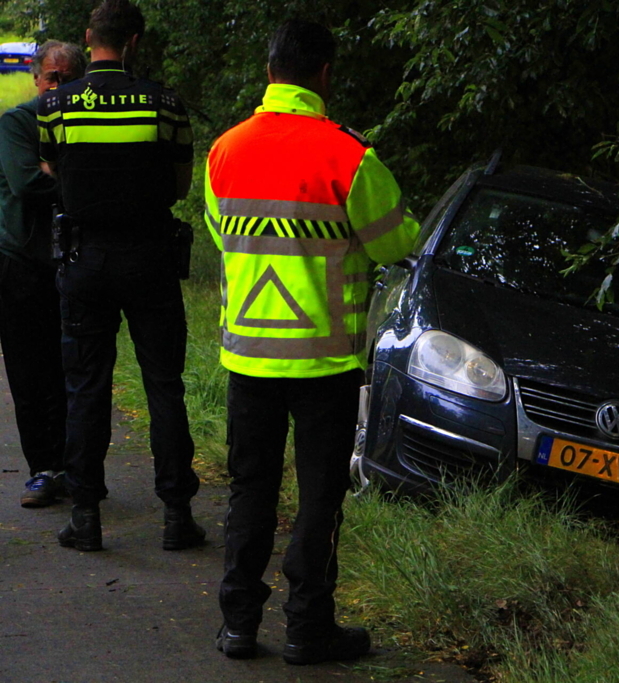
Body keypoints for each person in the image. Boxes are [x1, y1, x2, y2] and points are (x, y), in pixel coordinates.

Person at [204, 19, 420, 664]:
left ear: (270, 71)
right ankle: (307, 628)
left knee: (251, 490)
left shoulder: (224, 150)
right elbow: (397, 243)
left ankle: (238, 623)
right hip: (324, 362)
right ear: (324, 75)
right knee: (320, 496)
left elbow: (224, 237)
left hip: (248, 356)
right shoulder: (350, 157)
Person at [37, 0, 203, 552]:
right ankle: (177, 514)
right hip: (150, 257)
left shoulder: (58, 103)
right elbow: (180, 185)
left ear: (89, 38)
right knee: (164, 385)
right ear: (134, 43)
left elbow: (52, 170)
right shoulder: (166, 103)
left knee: (86, 387)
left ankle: (86, 517)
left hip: (84, 261)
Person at [0, 41, 86, 508]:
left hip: (73, 261)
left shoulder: (86, 124)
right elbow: (27, 183)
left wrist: (57, 170)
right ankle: (42, 468)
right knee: (29, 372)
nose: (58, 86)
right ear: (37, 79)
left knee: (73, 369)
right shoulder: (17, 123)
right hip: (20, 264)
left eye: (67, 78)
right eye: (51, 77)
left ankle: (76, 468)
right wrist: (68, 176)